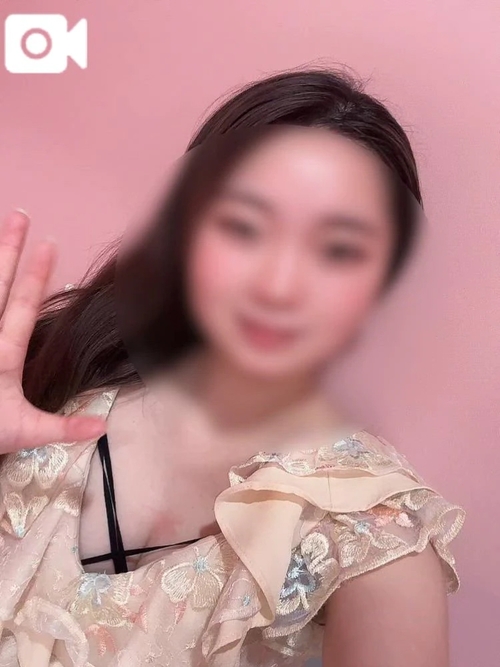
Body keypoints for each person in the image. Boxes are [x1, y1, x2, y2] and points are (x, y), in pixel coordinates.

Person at [0, 67, 465, 667]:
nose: (278, 285)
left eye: (338, 249)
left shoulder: (376, 538)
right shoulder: (49, 367)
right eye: (245, 226)